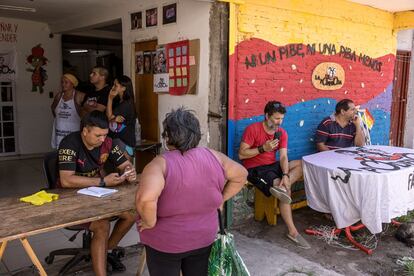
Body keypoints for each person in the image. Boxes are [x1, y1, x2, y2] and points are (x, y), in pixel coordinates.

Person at [136, 107, 247, 276]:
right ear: (196, 134)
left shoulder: (159, 164)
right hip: (203, 238)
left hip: (166, 242)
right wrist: (221, 199)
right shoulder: (214, 156)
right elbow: (241, 175)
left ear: (167, 136)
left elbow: (145, 199)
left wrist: (150, 222)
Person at [58, 111, 136, 275]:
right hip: (70, 199)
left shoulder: (107, 142)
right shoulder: (69, 143)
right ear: (85, 131)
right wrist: (102, 182)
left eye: (105, 135)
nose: (102, 139)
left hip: (96, 194)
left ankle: (104, 251)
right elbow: (66, 180)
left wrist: (129, 170)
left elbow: (124, 164)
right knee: (102, 225)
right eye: (98, 135)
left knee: (131, 215)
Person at [238, 100, 310, 249]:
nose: (279, 122)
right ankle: (293, 231)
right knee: (284, 189)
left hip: (273, 166)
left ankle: (283, 185)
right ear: (266, 116)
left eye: (282, 119)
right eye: (276, 118)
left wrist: (285, 174)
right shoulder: (252, 129)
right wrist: (262, 149)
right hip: (255, 169)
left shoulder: (281, 133)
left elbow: (283, 157)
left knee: (301, 165)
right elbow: (242, 155)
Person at [51, 73, 85, 149]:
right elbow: (53, 108)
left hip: (74, 130)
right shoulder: (59, 96)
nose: (63, 84)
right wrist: (60, 119)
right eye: (62, 82)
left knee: (74, 150)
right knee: (60, 150)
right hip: (59, 131)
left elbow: (85, 112)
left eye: (66, 82)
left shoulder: (80, 96)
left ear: (73, 84)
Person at [106, 75, 136, 160]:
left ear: (123, 88)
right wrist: (113, 119)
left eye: (115, 85)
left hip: (124, 141)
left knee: (125, 170)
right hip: (120, 140)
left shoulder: (126, 104)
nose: (113, 87)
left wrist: (110, 98)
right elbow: (111, 118)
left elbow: (109, 117)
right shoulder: (120, 101)